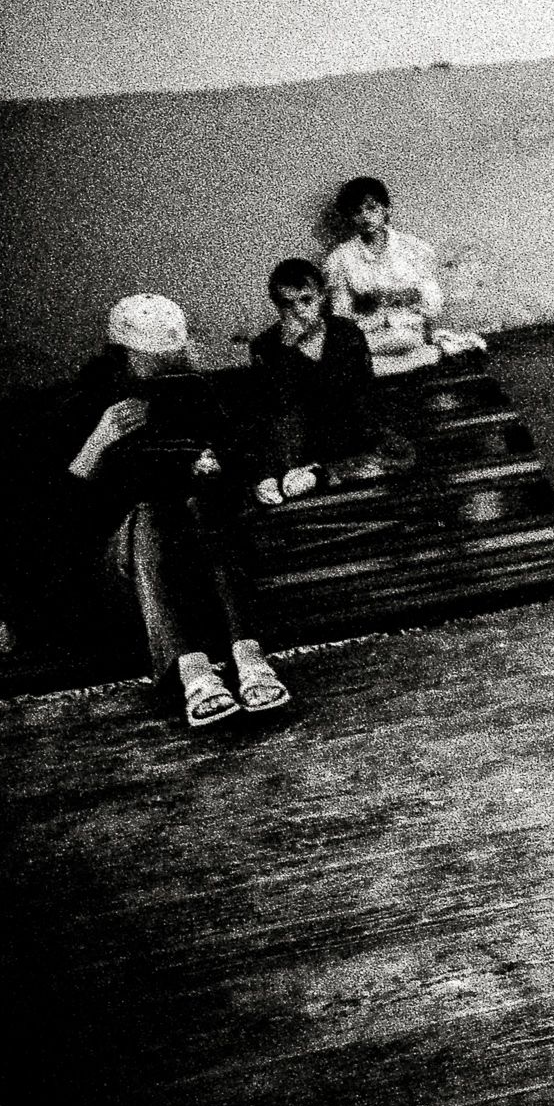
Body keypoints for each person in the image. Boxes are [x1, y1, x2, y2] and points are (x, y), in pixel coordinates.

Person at [59, 294, 291, 726]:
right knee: (151, 514)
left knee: (198, 507)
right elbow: (63, 510)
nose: (162, 367)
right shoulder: (91, 400)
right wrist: (99, 440)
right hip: (124, 560)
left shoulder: (192, 390)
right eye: (151, 358)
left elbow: (239, 459)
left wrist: (214, 465)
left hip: (196, 542)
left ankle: (248, 656)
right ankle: (194, 671)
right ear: (122, 354)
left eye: (169, 357)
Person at [247, 258, 415, 504]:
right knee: (269, 454)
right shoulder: (266, 346)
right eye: (287, 304)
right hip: (302, 437)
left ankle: (322, 475)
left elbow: (361, 391)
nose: (298, 311)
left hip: (348, 428)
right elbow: (276, 407)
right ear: (277, 305)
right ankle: (303, 476)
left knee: (399, 454)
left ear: (321, 297)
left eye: (306, 300)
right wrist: (286, 350)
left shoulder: (345, 332)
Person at [323, 176, 484, 376]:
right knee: (346, 356)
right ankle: (430, 355)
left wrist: (404, 296)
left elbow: (434, 303)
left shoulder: (413, 249)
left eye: (372, 208)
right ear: (349, 216)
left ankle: (391, 361)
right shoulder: (341, 258)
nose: (365, 216)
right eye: (357, 212)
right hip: (367, 333)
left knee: (380, 347)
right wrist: (364, 306)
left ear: (385, 208)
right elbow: (341, 314)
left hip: (407, 329)